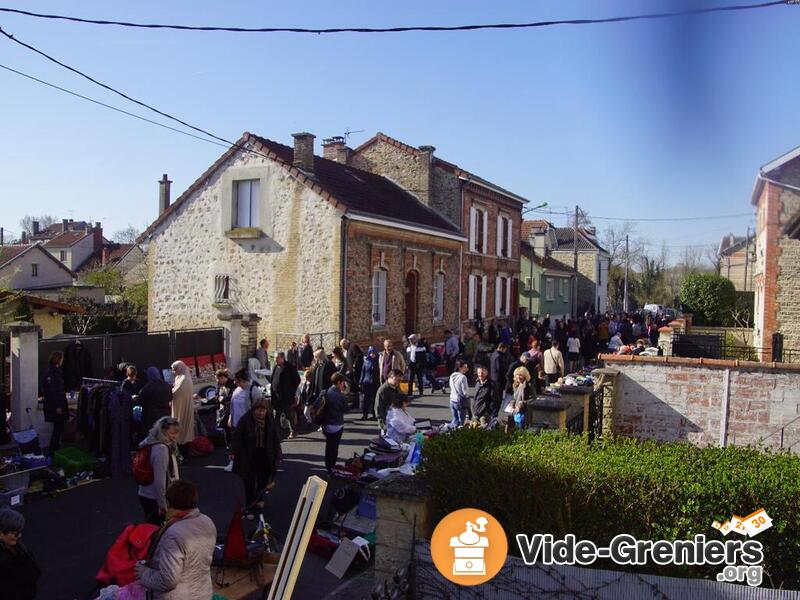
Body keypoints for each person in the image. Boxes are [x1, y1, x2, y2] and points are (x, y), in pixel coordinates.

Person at [136, 480, 216, 600]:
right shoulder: (207, 521)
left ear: (170, 502)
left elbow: (168, 580)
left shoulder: (173, 534)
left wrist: (143, 573)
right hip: (203, 592)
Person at [230, 398, 282, 507]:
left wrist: (278, 454)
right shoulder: (246, 420)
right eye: (258, 410)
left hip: (265, 454)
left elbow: (275, 438)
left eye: (263, 410)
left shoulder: (269, 420)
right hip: (249, 455)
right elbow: (237, 436)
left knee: (263, 479)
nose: (261, 413)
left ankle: (259, 498)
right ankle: (250, 503)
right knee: (248, 481)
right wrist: (233, 451)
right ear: (253, 410)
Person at [137, 416, 181, 526]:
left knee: (151, 527)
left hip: (146, 492)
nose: (175, 437)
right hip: (155, 498)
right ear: (163, 431)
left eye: (176, 433)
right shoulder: (161, 449)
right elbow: (160, 481)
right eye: (172, 433)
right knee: (158, 531)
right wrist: (163, 505)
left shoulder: (149, 442)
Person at [316, 373, 349, 474]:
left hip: (325, 423)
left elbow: (316, 404)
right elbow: (346, 409)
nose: (344, 384)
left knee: (329, 445)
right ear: (339, 382)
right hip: (337, 424)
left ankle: (328, 465)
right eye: (343, 382)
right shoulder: (341, 396)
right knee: (334, 447)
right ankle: (331, 466)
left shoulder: (325, 392)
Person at [40, 351, 67, 454]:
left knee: (58, 428)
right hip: (56, 405)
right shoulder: (52, 373)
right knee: (58, 429)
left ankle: (54, 449)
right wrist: (58, 406)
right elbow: (52, 391)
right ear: (58, 359)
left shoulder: (53, 372)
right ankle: (53, 450)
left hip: (55, 404)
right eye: (61, 359)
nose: (62, 361)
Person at [137, 367, 173, 442]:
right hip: (165, 415)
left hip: (151, 417)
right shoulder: (166, 385)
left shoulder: (148, 387)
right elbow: (170, 398)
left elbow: (140, 400)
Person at [271, 352, 300, 438]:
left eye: (277, 358)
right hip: (277, 397)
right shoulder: (276, 367)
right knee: (276, 415)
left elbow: (297, 380)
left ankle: (293, 431)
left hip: (286, 396)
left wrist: (291, 391)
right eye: (275, 359)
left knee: (288, 414)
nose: (276, 360)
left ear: (282, 358)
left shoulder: (289, 367)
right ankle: (275, 433)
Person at [170, 361, 195, 454]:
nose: (174, 372)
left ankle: (183, 454)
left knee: (181, 428)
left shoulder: (184, 379)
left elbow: (175, 393)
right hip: (181, 407)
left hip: (182, 408)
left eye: (175, 369)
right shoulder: (181, 377)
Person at [375, 369, 403, 434]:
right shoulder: (383, 390)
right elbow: (378, 408)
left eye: (400, 381)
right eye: (398, 380)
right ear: (392, 377)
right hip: (386, 422)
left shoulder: (396, 387)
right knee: (386, 441)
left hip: (395, 420)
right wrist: (383, 424)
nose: (399, 382)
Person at [340, 338, 364, 409]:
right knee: (353, 388)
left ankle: (357, 404)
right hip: (351, 371)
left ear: (346, 343)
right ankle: (355, 403)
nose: (343, 347)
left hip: (356, 371)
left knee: (356, 387)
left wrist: (354, 365)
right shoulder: (348, 349)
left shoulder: (353, 346)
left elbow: (359, 356)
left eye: (343, 346)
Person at [509, 366, 533, 431]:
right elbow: (514, 398)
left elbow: (533, 399)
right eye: (517, 375)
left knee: (522, 430)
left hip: (525, 413)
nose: (518, 377)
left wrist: (522, 403)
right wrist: (511, 404)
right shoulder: (515, 385)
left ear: (525, 376)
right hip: (516, 412)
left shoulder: (529, 385)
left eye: (520, 375)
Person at [358, 346, 380, 420]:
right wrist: (360, 382)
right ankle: (365, 414)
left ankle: (374, 415)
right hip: (367, 383)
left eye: (374, 353)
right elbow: (363, 372)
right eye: (371, 353)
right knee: (366, 400)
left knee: (375, 400)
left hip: (375, 383)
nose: (372, 355)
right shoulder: (366, 362)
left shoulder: (378, 361)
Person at [489, 343, 509, 417]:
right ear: (501, 348)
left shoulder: (493, 355)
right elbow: (500, 368)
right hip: (498, 379)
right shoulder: (499, 356)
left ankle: (493, 414)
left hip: (493, 378)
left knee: (494, 397)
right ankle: (494, 415)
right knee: (498, 398)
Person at [448, 360, 469, 428]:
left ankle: (451, 432)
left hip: (452, 399)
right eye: (465, 367)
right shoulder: (463, 377)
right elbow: (465, 392)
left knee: (455, 419)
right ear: (460, 368)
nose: (466, 369)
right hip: (460, 401)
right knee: (461, 422)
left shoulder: (452, 375)